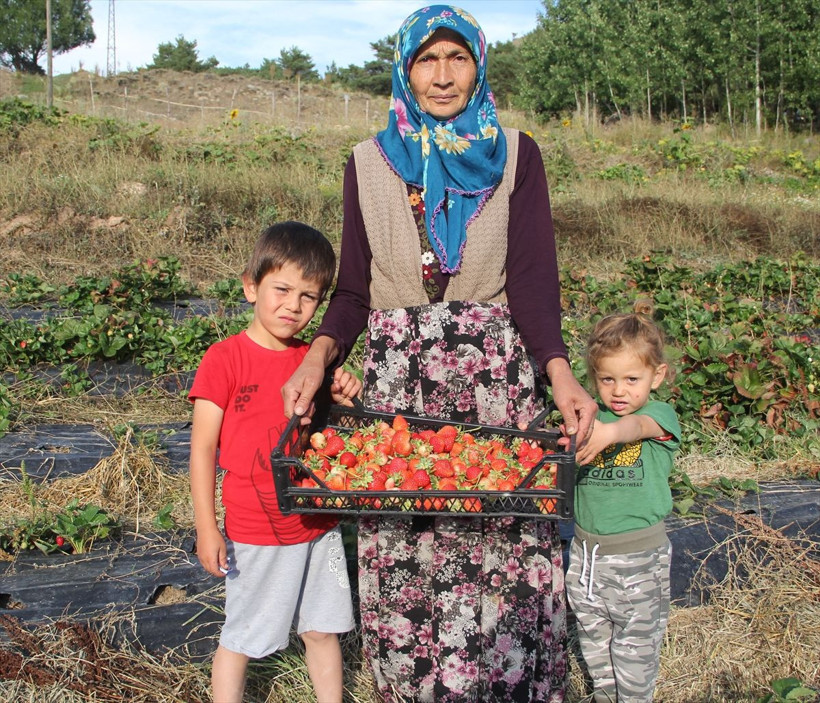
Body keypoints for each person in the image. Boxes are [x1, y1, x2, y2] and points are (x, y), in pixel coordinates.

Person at [282, 6, 597, 701]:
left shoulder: (517, 154)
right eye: (428, 59)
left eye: (458, 58)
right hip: (401, 390)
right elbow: (355, 290)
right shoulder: (367, 163)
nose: (444, 75)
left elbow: (535, 283)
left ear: (479, 67)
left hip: (492, 385)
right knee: (406, 551)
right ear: (406, 69)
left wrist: (561, 373)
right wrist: (319, 355)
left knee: (503, 548)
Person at [188, 221, 360, 703]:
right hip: (257, 524)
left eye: (309, 297)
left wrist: (346, 393)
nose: (293, 306)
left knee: (323, 628)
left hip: (316, 520)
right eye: (281, 289)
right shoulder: (225, 359)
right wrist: (207, 526)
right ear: (250, 286)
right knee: (243, 635)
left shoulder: (313, 361)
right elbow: (203, 450)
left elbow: (332, 436)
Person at [566, 312, 681, 703]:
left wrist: (609, 433)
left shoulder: (659, 416)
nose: (619, 391)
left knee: (636, 653)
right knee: (595, 643)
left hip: (639, 559)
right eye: (607, 379)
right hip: (585, 556)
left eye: (633, 379)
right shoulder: (590, 419)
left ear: (658, 375)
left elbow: (636, 428)